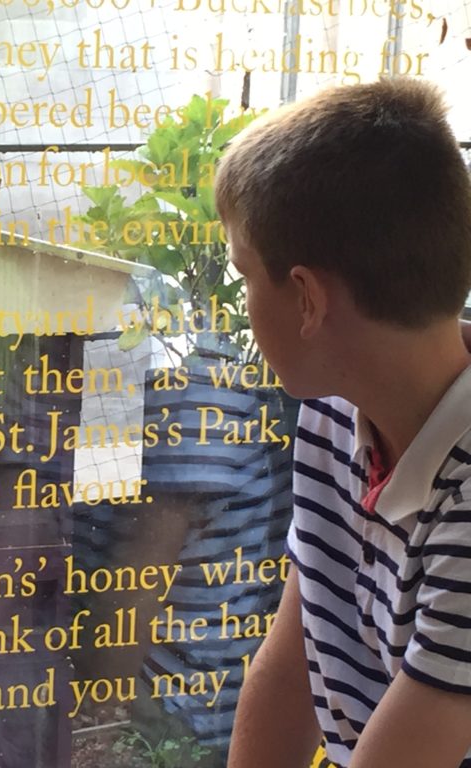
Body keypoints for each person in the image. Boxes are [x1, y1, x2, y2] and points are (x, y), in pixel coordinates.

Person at [216, 78, 471, 768]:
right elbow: (301, 647)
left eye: (244, 276)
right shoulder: (334, 413)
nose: (243, 303)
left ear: (305, 298)